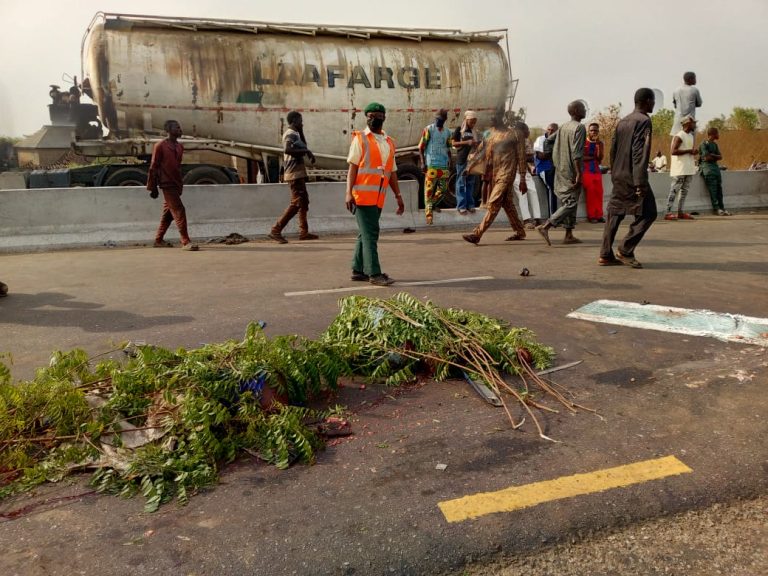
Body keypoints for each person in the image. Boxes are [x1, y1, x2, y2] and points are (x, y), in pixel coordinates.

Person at [345, 102, 405, 286]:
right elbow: (352, 168)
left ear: (383, 118)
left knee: (365, 234)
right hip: (362, 197)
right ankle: (374, 273)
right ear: (366, 118)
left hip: (378, 198)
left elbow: (392, 172)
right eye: (370, 116)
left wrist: (398, 195)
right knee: (371, 234)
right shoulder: (360, 139)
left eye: (377, 117)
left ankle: (357, 270)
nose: (374, 120)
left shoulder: (389, 142)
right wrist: (348, 193)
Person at [599, 88, 658, 269]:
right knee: (649, 212)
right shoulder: (644, 121)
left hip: (618, 174)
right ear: (647, 101)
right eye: (653, 100)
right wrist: (640, 181)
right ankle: (625, 250)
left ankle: (605, 254)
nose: (654, 104)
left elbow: (613, 150)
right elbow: (639, 152)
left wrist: (615, 171)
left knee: (615, 213)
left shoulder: (623, 121)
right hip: (634, 176)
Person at [461, 115, 527, 245]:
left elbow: (521, 156)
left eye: (495, 115)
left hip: (507, 173)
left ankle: (477, 234)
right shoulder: (490, 134)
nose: (491, 118)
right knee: (507, 204)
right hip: (496, 174)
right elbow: (481, 151)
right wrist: (469, 167)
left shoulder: (514, 134)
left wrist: (523, 178)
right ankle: (520, 231)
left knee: (494, 202)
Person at [536, 101, 587, 246]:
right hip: (572, 169)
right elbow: (577, 154)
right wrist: (578, 173)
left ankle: (569, 234)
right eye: (583, 108)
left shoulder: (563, 126)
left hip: (561, 168)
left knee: (570, 201)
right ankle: (546, 226)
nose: (585, 110)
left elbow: (547, 142)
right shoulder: (580, 128)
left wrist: (553, 157)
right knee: (571, 202)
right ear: (576, 110)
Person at [147, 120, 199, 251]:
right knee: (179, 210)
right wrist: (153, 187)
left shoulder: (180, 147)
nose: (180, 130)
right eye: (177, 127)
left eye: (180, 127)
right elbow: (154, 167)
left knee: (168, 214)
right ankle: (185, 241)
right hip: (166, 183)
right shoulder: (160, 146)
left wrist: (180, 183)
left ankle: (158, 240)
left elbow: (177, 167)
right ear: (168, 130)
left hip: (176, 183)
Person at [269, 111, 318, 243]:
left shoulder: (296, 133)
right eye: (300, 120)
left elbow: (303, 145)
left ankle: (304, 232)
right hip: (294, 173)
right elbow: (287, 150)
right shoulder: (290, 133)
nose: (302, 123)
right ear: (295, 120)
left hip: (298, 173)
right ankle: (276, 230)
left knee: (304, 202)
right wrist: (306, 152)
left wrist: (302, 134)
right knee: (296, 203)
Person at [418, 108, 452, 225]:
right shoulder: (429, 130)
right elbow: (421, 147)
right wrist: (422, 163)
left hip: (443, 166)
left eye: (440, 120)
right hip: (431, 164)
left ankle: (432, 204)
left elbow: (448, 148)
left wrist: (450, 161)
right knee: (428, 190)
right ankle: (429, 215)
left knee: (443, 189)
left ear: (445, 120)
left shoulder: (448, 132)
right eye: (437, 119)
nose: (438, 121)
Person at [665, 115, 698, 220]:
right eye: (693, 123)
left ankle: (680, 212)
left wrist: (693, 152)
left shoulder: (691, 136)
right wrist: (689, 151)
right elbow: (673, 151)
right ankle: (668, 212)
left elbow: (688, 150)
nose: (695, 125)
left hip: (688, 167)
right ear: (687, 123)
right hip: (680, 168)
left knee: (684, 190)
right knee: (674, 189)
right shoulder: (679, 136)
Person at [512, 123, 542, 230]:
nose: (528, 132)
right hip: (514, 172)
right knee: (522, 194)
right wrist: (522, 156)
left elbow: (531, 157)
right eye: (526, 130)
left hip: (525, 171)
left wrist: (520, 156)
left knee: (533, 192)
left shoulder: (526, 141)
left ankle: (538, 218)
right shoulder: (511, 142)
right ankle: (526, 220)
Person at [452, 110, 480, 215]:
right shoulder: (459, 130)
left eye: (474, 122)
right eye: (471, 121)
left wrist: (476, 144)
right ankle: (461, 206)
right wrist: (466, 142)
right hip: (462, 159)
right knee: (461, 182)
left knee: (470, 183)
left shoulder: (474, 131)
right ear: (466, 119)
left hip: (471, 161)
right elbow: (454, 143)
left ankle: (470, 205)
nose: (473, 123)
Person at [699, 127, 731, 216]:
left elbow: (720, 157)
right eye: (717, 133)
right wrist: (714, 156)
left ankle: (722, 208)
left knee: (719, 190)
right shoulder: (703, 144)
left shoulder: (715, 144)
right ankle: (716, 209)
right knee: (713, 190)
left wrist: (712, 155)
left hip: (716, 169)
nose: (718, 135)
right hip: (708, 169)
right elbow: (706, 158)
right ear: (713, 134)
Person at [583, 123, 605, 223]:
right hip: (586, 171)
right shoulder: (583, 142)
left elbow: (600, 158)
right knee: (591, 192)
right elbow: (580, 157)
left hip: (596, 170)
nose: (593, 132)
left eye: (595, 130)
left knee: (599, 192)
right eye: (591, 130)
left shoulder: (600, 143)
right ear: (589, 131)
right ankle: (592, 216)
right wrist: (592, 158)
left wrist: (598, 145)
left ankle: (599, 215)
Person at [534, 123, 558, 216]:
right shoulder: (541, 139)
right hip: (544, 168)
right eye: (549, 129)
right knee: (551, 188)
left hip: (555, 167)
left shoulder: (558, 139)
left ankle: (560, 216)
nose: (550, 132)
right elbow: (542, 156)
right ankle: (553, 216)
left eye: (553, 130)